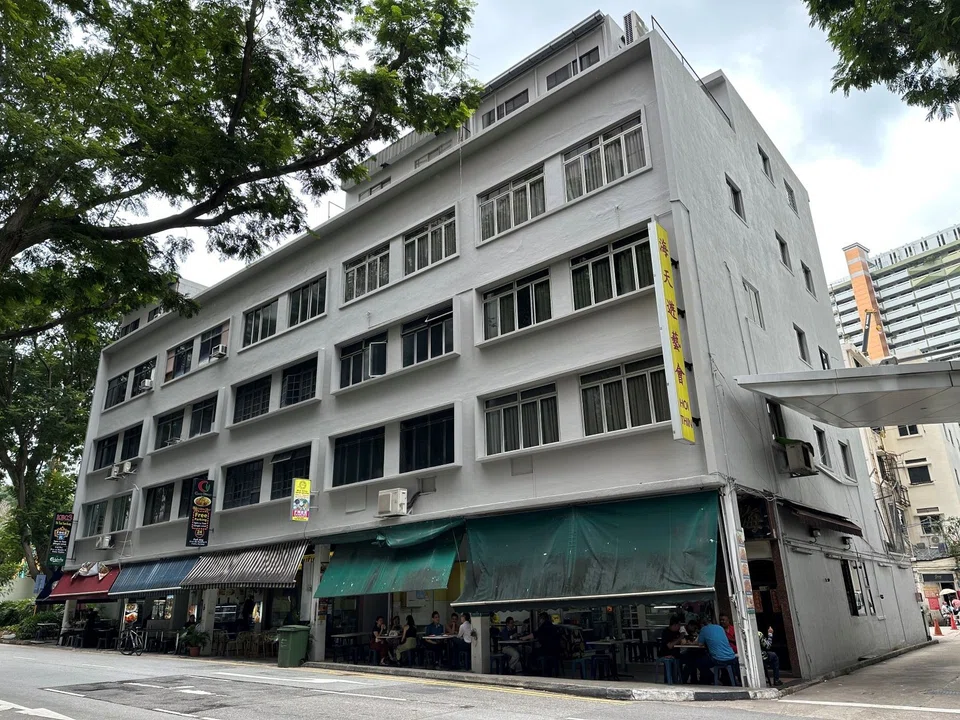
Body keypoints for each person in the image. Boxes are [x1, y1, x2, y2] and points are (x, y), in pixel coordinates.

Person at [694, 614, 738, 685]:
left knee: (698, 662)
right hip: (731, 657)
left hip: (718, 659)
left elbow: (700, 644)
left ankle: (713, 678)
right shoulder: (720, 628)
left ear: (702, 624)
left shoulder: (704, 629)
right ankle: (723, 680)